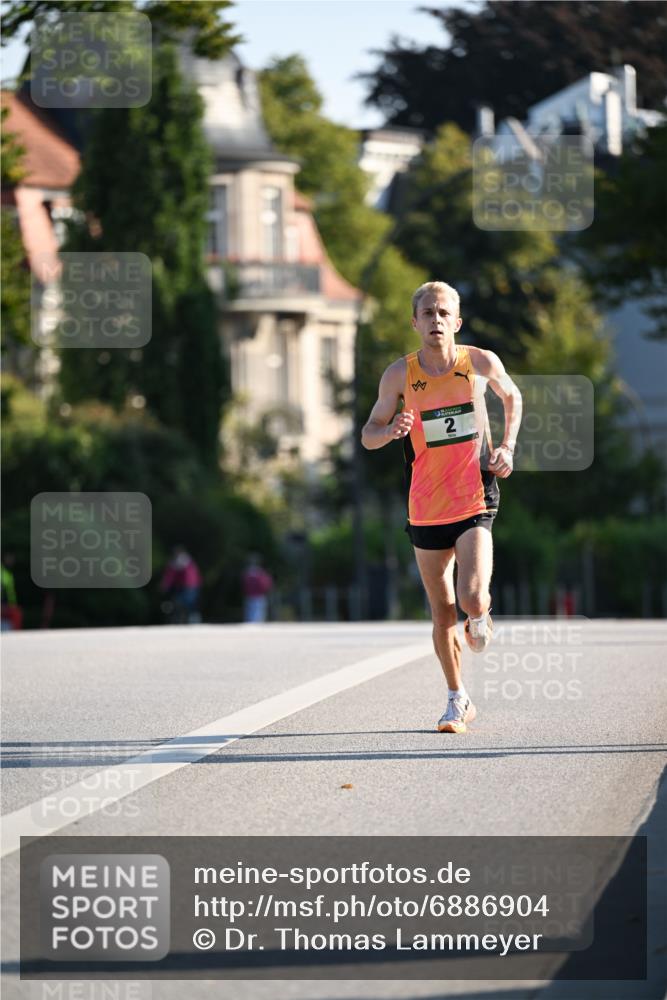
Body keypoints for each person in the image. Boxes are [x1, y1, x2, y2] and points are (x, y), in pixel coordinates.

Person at [361, 281, 522, 734]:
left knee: (470, 597)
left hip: (474, 496)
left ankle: (481, 613)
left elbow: (513, 396)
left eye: (443, 313)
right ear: (414, 322)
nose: (435, 320)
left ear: (457, 321)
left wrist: (507, 447)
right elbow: (368, 434)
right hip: (425, 506)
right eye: (427, 313)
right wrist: (391, 428)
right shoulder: (398, 375)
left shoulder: (479, 363)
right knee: (441, 612)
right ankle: (457, 700)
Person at [159, 545, 202, 624]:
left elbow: (170, 575)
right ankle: (193, 621)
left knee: (182, 604)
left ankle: (186, 621)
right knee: (190, 605)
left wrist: (165, 585)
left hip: (186, 586)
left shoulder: (177, 561)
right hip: (193, 585)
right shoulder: (190, 561)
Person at [242, 554, 273, 623]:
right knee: (254, 614)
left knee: (255, 614)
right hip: (254, 596)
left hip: (257, 596)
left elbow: (266, 584)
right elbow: (267, 584)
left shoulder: (252, 573)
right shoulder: (259, 573)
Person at [1, 552, 23, 631]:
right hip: (3, 606)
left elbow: (10, 594)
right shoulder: (3, 573)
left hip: (6, 606)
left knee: (16, 612)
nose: (11, 560)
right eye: (9, 557)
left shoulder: (7, 574)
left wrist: (12, 605)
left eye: (12, 558)